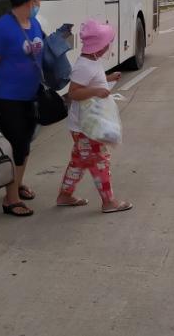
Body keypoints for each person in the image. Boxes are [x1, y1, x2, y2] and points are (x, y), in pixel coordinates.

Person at [0, 0, 45, 218]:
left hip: (30, 96)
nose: (39, 5)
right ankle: (11, 199)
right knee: (17, 145)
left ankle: (16, 183)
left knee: (25, 145)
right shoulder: (1, 29)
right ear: (29, 2)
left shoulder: (34, 23)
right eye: (38, 1)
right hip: (6, 97)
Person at [56, 19, 133, 213]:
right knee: (100, 162)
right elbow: (73, 93)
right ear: (97, 47)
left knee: (78, 161)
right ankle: (109, 202)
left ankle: (65, 195)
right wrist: (97, 91)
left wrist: (108, 79)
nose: (108, 46)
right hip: (86, 127)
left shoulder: (92, 61)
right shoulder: (84, 66)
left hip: (82, 126)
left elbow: (92, 80)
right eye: (106, 43)